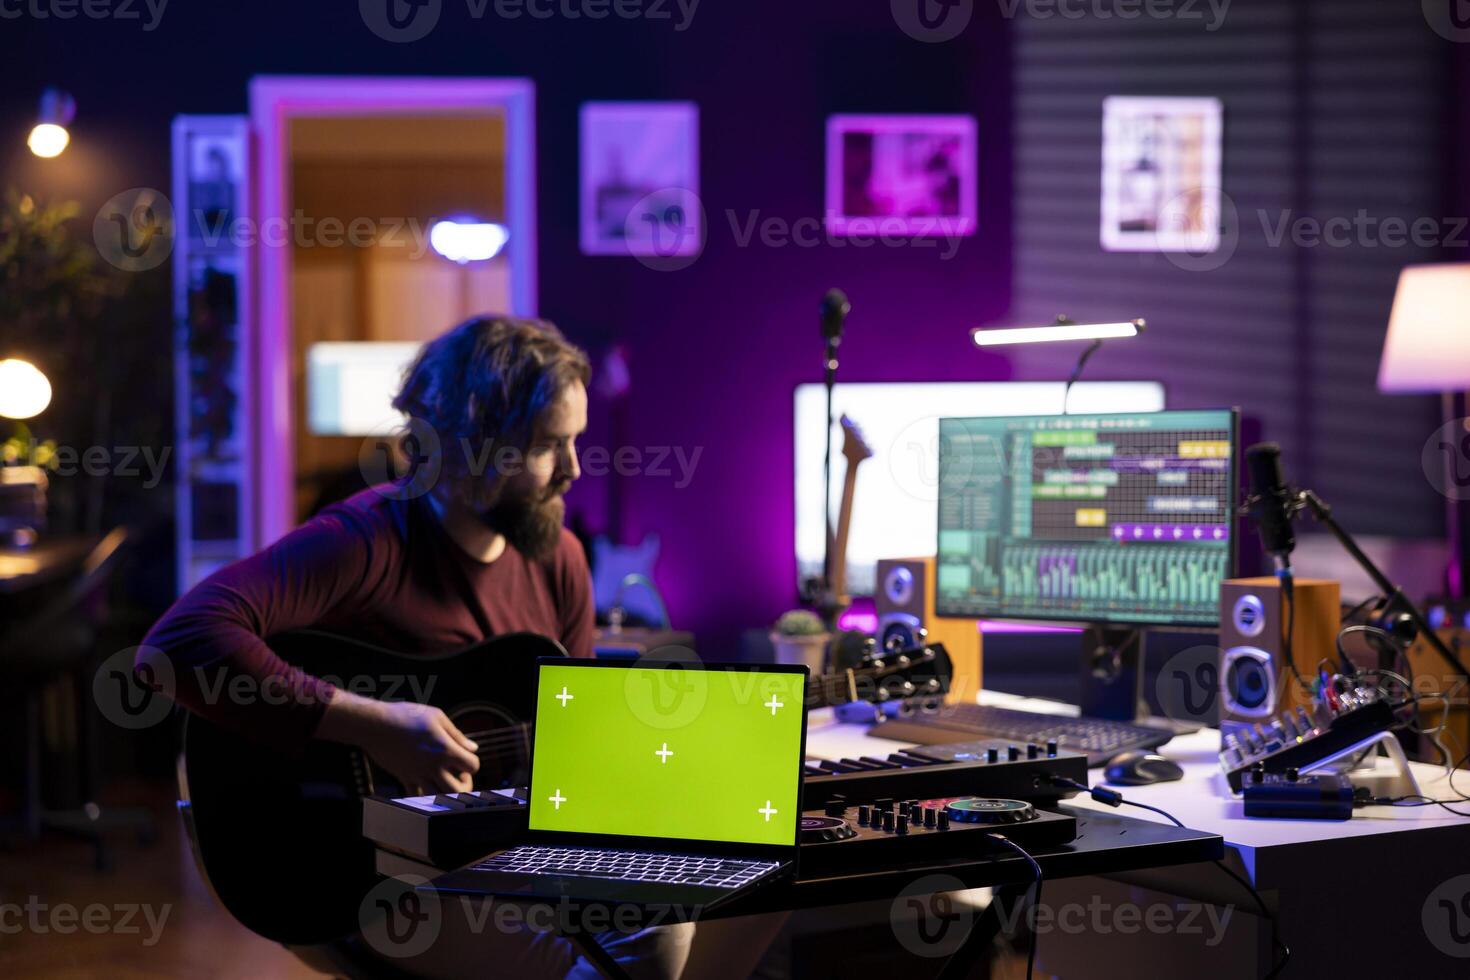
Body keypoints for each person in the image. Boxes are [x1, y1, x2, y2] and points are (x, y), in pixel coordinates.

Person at [140, 316, 785, 978]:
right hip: (360, 874)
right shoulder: (366, 541)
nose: (572, 469)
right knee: (644, 946)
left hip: (504, 858)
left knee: (766, 885)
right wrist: (376, 726)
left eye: (575, 442)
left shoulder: (559, 559)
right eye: (547, 446)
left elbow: (577, 756)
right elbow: (179, 643)